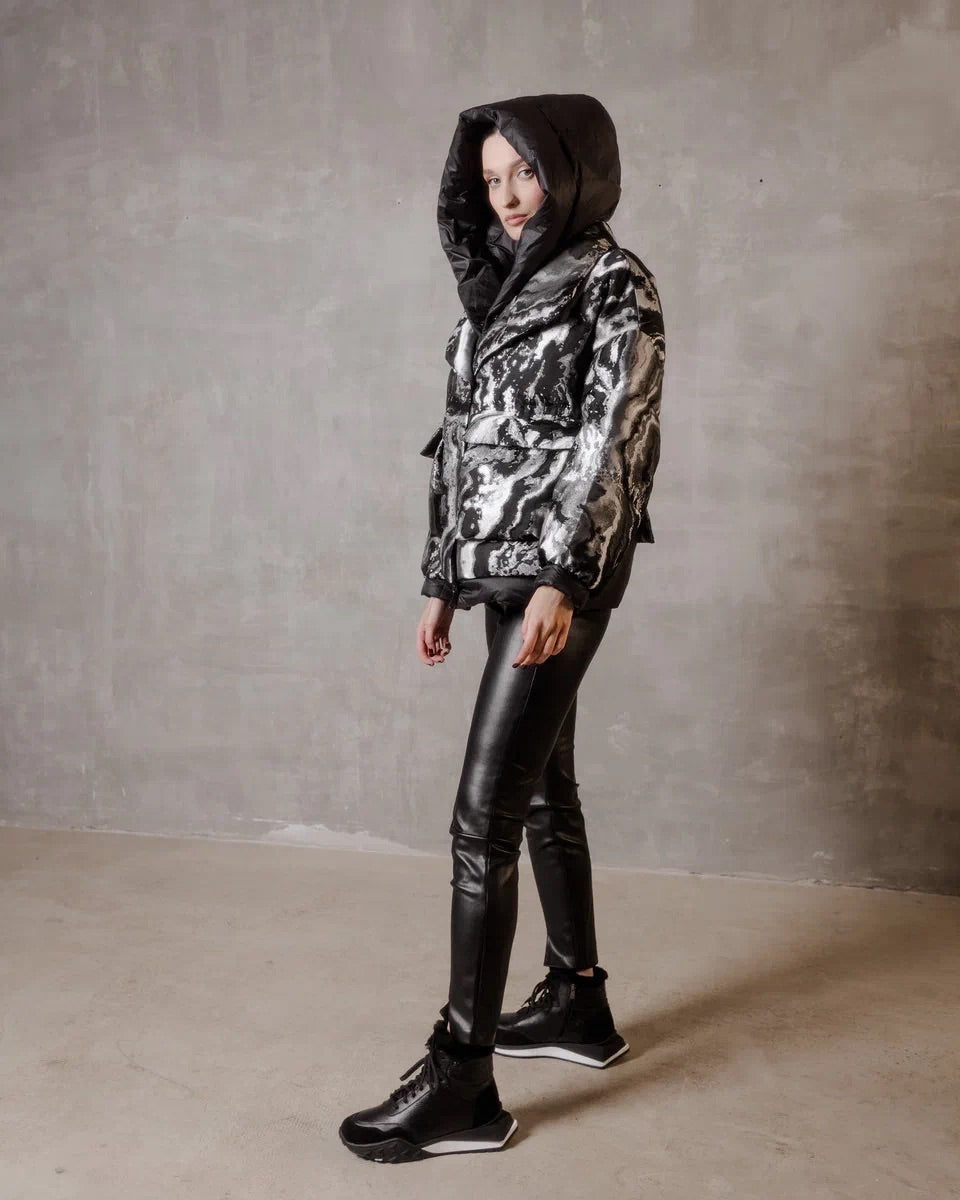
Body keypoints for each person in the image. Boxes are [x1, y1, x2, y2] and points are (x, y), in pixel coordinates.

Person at [339, 92, 665, 1163]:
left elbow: (615, 438)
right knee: (540, 792)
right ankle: (577, 1000)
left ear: (568, 169)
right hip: (497, 577)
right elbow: (462, 443)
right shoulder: (489, 295)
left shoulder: (614, 283)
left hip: (562, 576)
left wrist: (565, 579)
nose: (510, 197)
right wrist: (442, 579)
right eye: (490, 181)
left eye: (524, 171)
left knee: (481, 818)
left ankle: (463, 1079)